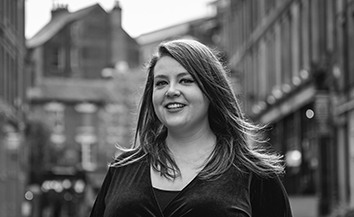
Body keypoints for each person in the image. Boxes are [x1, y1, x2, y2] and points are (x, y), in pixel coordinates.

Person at [89, 39, 293, 217]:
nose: (171, 91)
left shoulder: (254, 174)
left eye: (185, 80)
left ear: (211, 90)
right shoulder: (122, 168)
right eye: (161, 83)